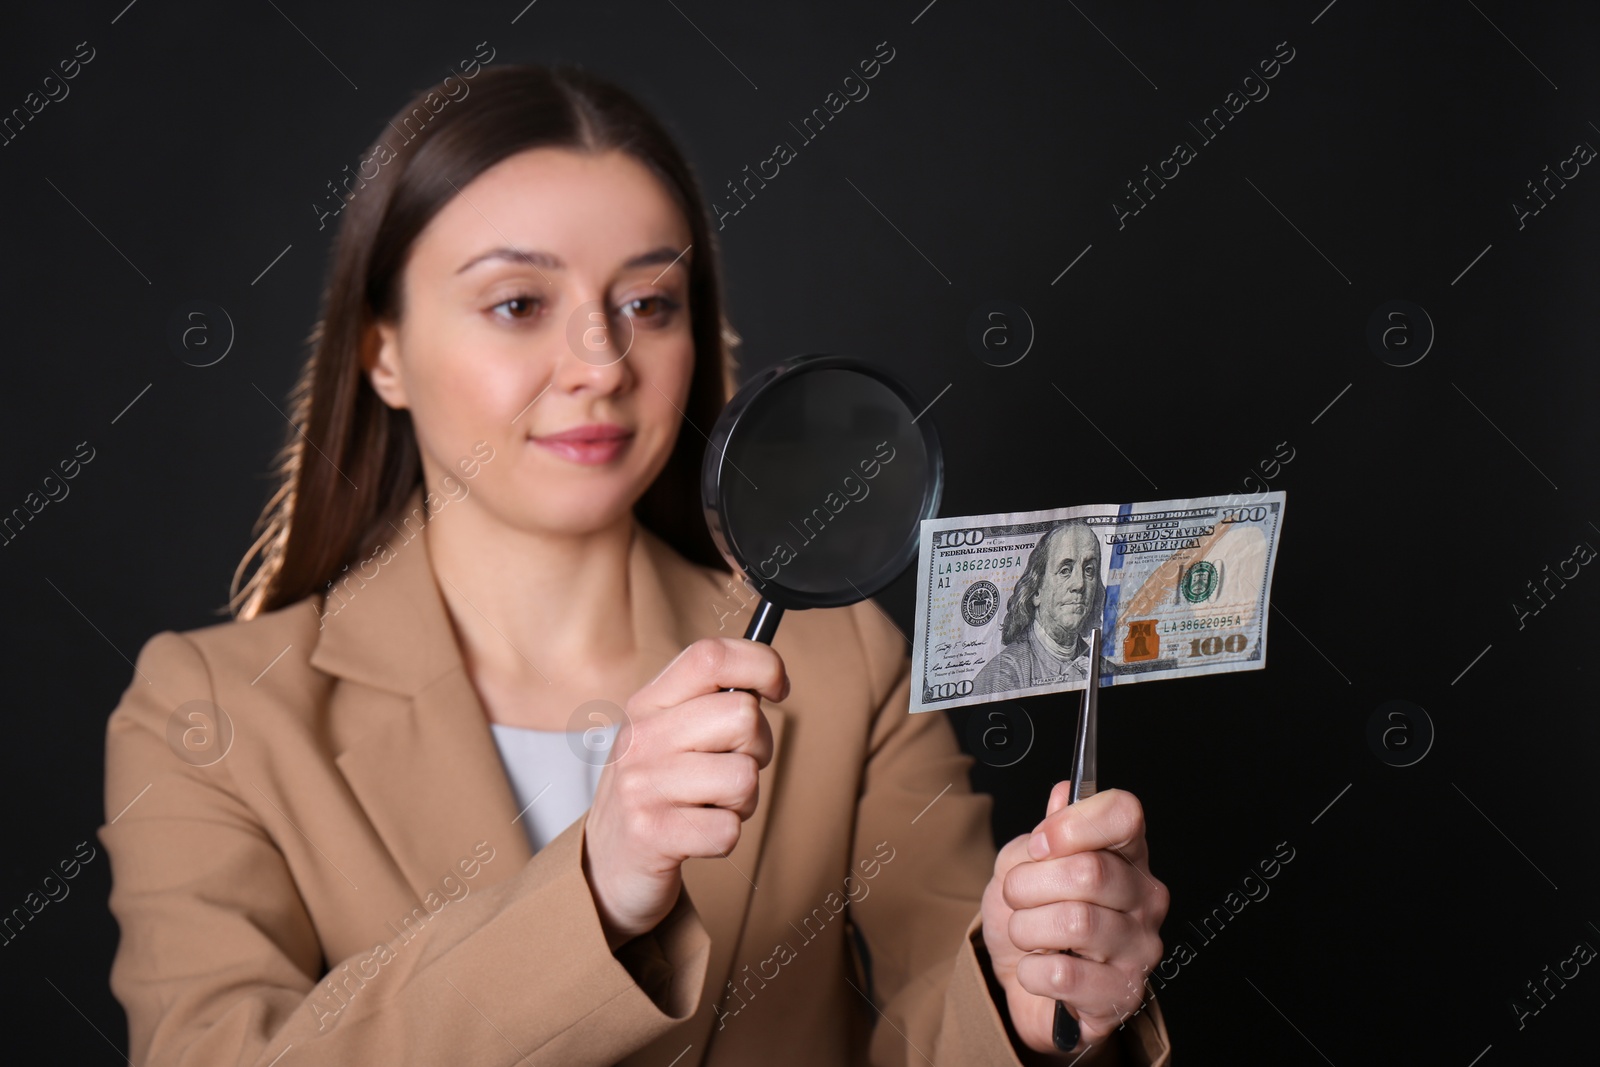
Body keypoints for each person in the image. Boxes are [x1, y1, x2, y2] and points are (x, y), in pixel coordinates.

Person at [98, 65, 1172, 1066]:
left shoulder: (845, 662)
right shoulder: (206, 712)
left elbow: (939, 1021)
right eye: (518, 303)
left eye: (647, 304)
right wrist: (597, 892)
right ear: (382, 349)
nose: (602, 363)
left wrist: (1024, 997)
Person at [972, 520, 1106, 697]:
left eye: (1089, 570)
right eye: (1065, 570)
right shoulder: (1001, 678)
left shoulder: (1106, 670)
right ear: (1036, 591)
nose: (1080, 584)